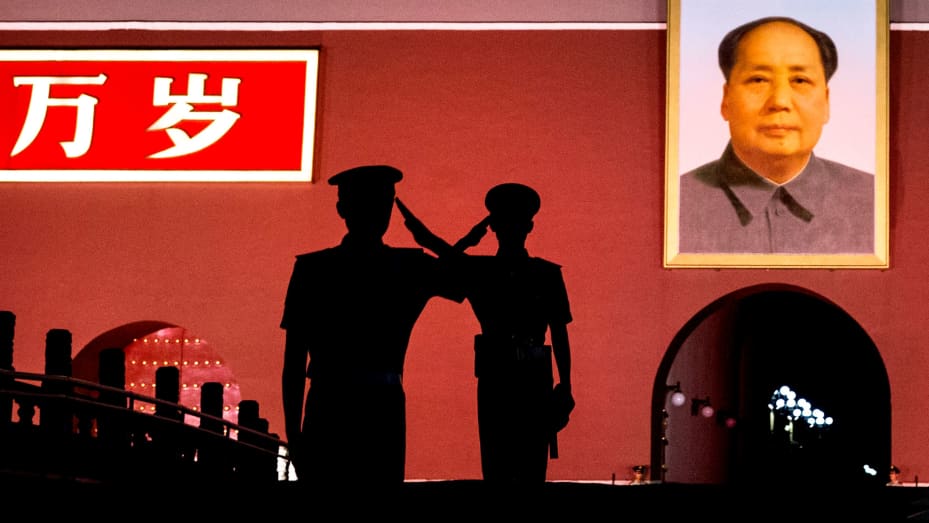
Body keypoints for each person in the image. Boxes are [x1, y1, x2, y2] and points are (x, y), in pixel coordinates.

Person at [279, 164, 464, 487]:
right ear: (344, 209)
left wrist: (295, 437)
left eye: (383, 201)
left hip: (335, 403)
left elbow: (294, 364)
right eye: (374, 202)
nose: (379, 210)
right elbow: (471, 282)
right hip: (376, 404)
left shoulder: (314, 269)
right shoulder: (409, 267)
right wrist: (431, 241)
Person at [396, 183, 574, 485]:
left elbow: (559, 333)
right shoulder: (519, 272)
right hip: (506, 377)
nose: (511, 229)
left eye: (514, 222)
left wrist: (566, 385)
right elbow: (432, 247)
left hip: (521, 376)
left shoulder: (531, 273)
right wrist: (469, 238)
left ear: (528, 226)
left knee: (524, 466)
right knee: (498, 465)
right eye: (504, 223)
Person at [679, 16, 874, 254]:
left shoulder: (874, 202)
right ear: (726, 100)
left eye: (800, 80)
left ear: (826, 102)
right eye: (759, 80)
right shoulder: (677, 203)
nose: (780, 101)